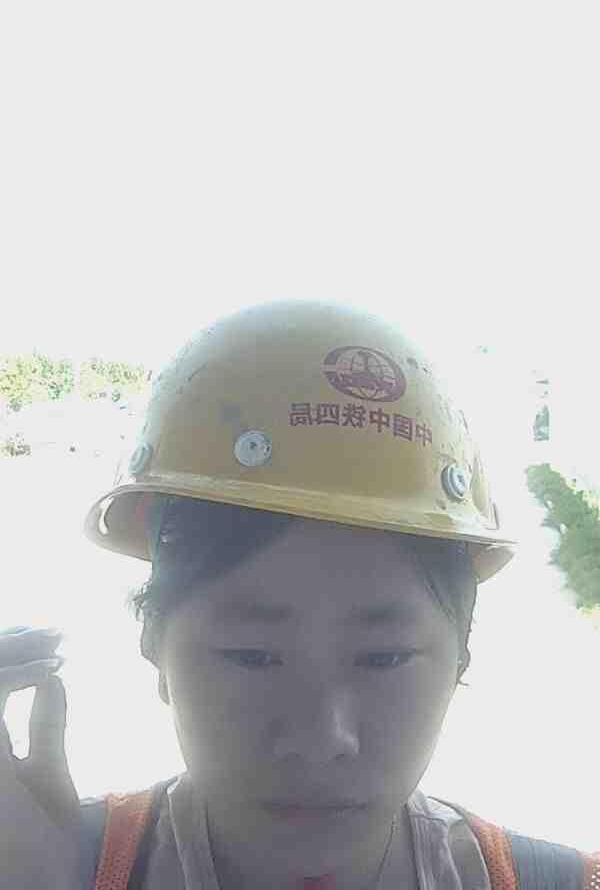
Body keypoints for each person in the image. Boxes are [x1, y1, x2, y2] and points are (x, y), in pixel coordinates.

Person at [1, 300, 598, 890]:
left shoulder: (561, 882)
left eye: (383, 657)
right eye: (252, 655)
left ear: (460, 656)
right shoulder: (51, 862)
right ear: (155, 645)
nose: (320, 740)